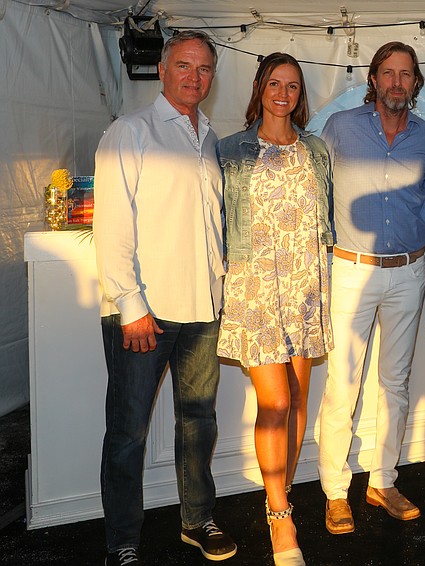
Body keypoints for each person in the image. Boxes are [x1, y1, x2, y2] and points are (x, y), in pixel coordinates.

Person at [93, 30, 236, 565]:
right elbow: (111, 227)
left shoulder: (210, 139)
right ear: (161, 69)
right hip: (144, 315)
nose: (194, 77)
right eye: (183, 65)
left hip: (202, 309)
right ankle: (122, 543)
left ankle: (197, 521)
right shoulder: (129, 132)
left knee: (199, 424)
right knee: (128, 434)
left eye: (204, 68)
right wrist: (130, 306)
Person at [216, 52, 333, 566]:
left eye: (292, 86)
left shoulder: (316, 150)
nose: (283, 94)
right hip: (256, 287)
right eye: (275, 84)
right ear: (260, 89)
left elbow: (322, 219)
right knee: (277, 402)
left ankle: (280, 491)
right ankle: (280, 515)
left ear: (300, 95)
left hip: (306, 284)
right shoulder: (230, 150)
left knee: (300, 397)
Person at [316, 41, 425, 535]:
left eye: (405, 74)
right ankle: (334, 491)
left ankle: (383, 481)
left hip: (409, 271)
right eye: (388, 73)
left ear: (415, 83)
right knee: (342, 384)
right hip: (351, 269)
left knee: (395, 384)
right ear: (373, 80)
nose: (396, 82)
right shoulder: (340, 128)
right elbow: (317, 190)